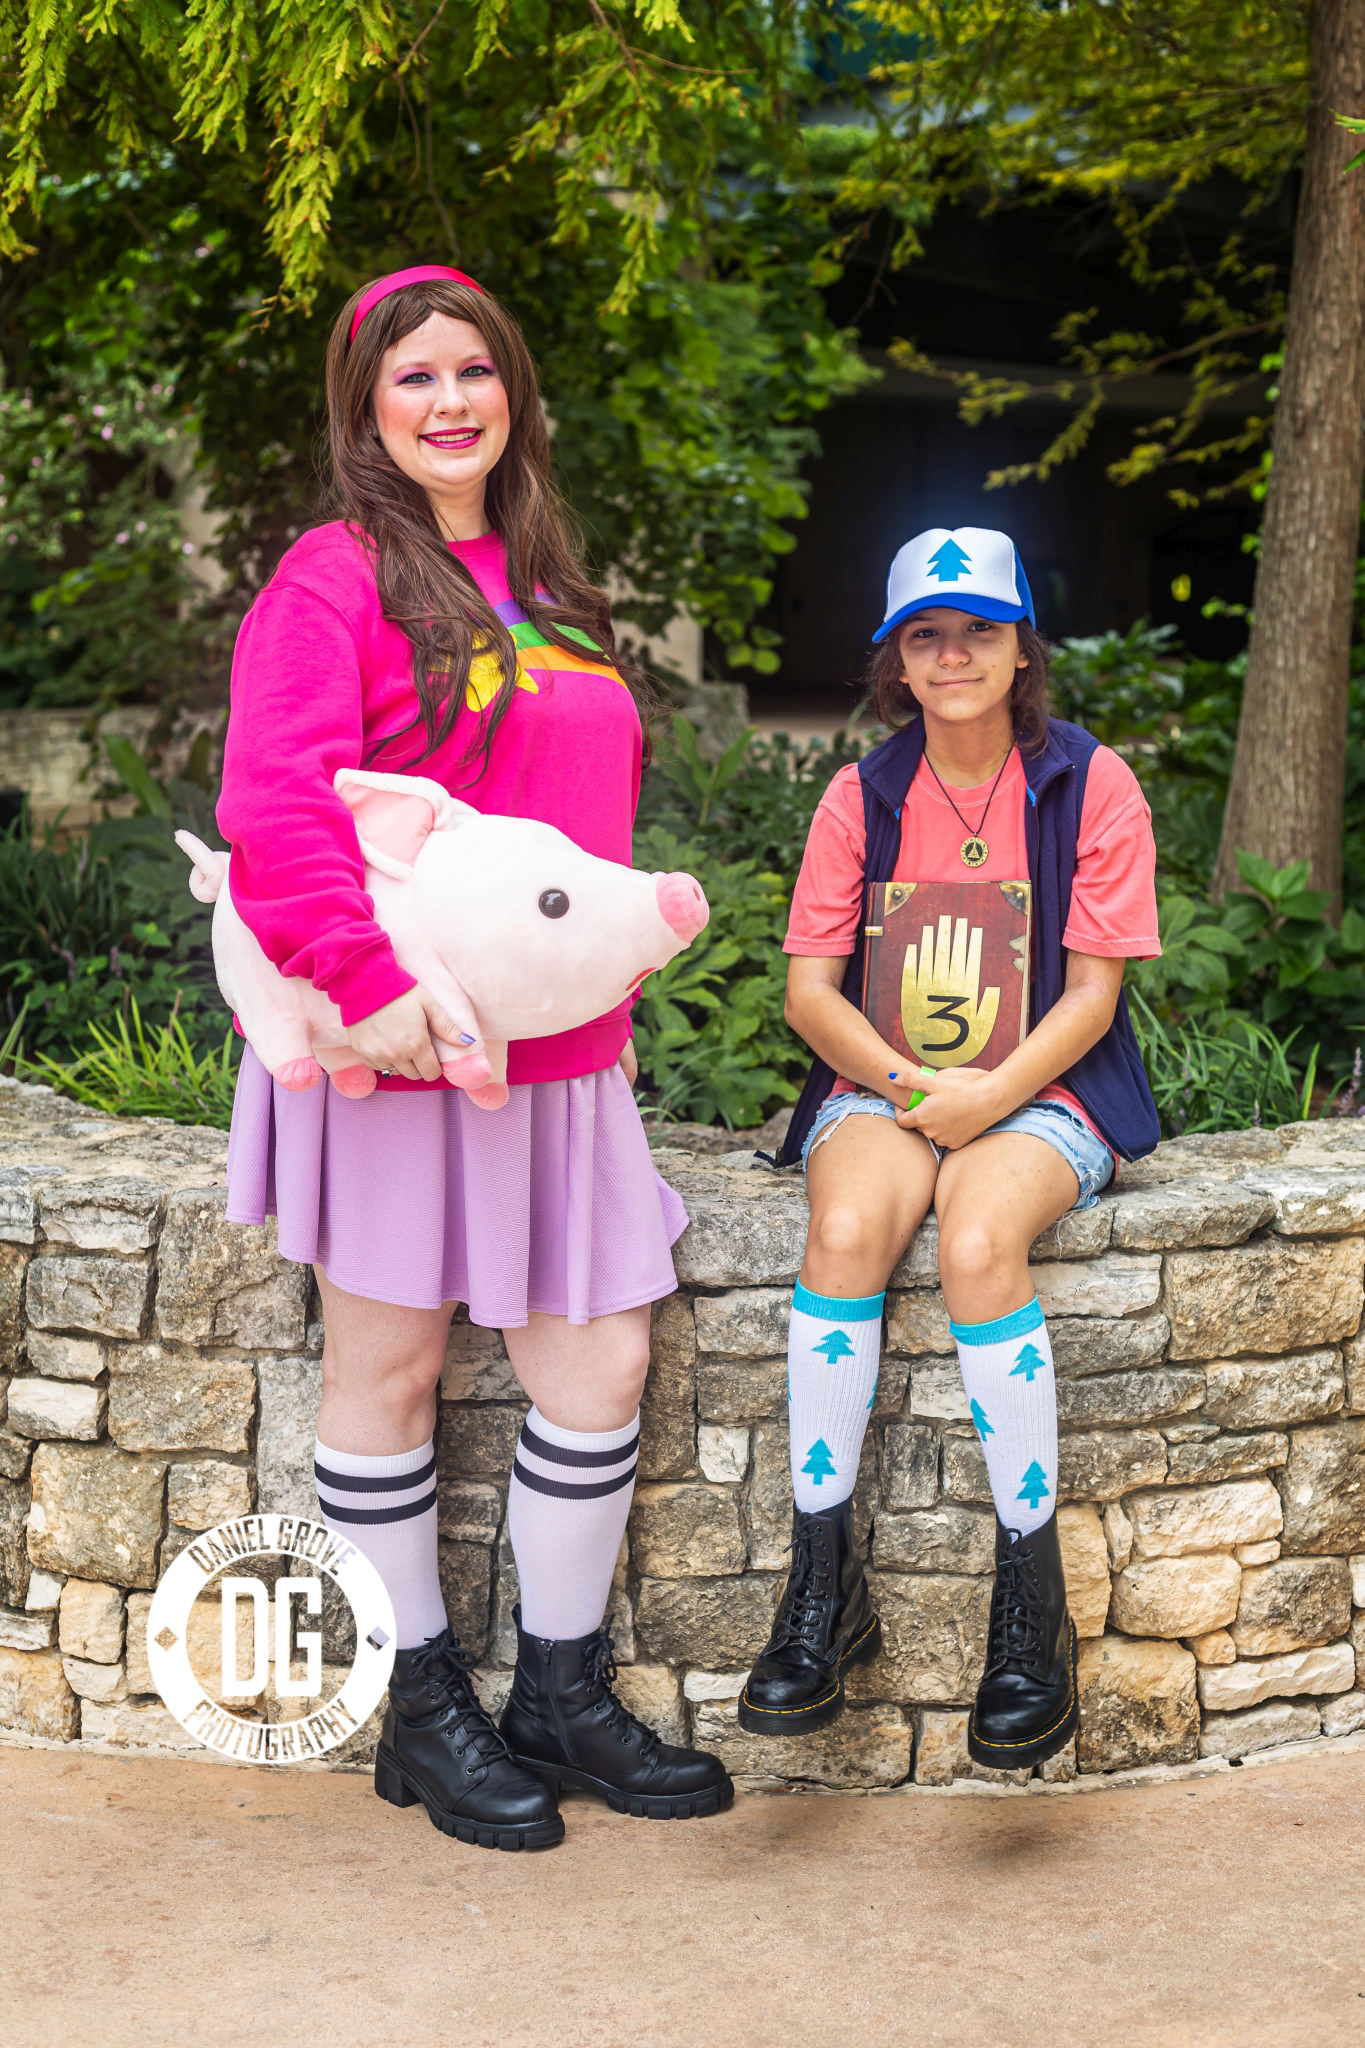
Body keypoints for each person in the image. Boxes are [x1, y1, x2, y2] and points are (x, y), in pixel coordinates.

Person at [219, 264, 732, 1848]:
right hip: (395, 1047)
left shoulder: (551, 586)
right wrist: (366, 986)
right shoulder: (334, 575)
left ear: (512, 390)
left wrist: (604, 1002)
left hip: (562, 1064)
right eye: (413, 378)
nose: (450, 402)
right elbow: (275, 799)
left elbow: (570, 840)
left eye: (473, 372)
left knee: (599, 1365)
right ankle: (422, 1708)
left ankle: (559, 1695)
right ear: (365, 409)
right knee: (388, 1372)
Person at [738, 526, 1161, 1770]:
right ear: (897, 661)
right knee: (845, 1227)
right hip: (887, 1078)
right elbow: (810, 994)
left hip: (1046, 1086)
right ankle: (821, 1586)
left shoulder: (1091, 783)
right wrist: (914, 1086)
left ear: (1023, 647)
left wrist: (987, 1098)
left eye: (981, 629)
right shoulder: (861, 795)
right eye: (927, 634)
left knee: (977, 1239)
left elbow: (1093, 995)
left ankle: (1032, 1613)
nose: (955, 653)